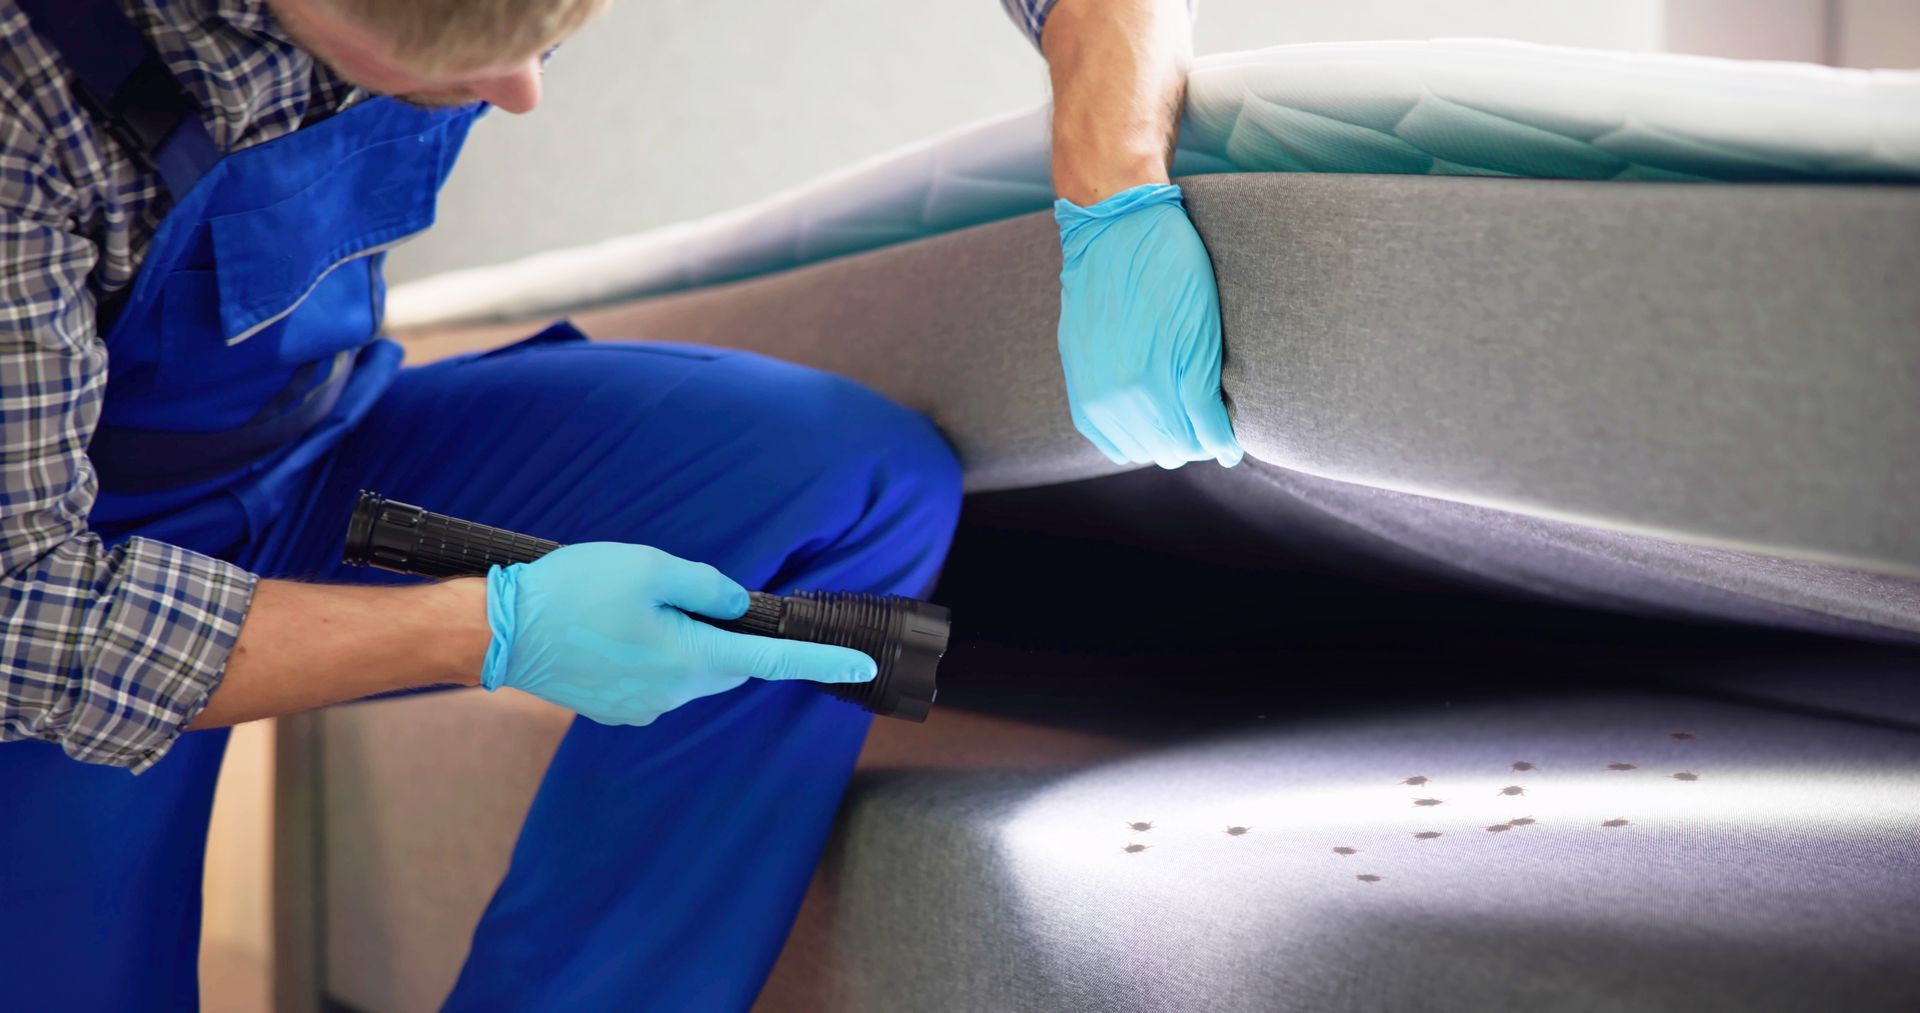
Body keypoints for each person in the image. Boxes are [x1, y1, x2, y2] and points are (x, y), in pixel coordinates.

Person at [0, 0, 1238, 1007]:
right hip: (59, 567)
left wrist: (1113, 177)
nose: (524, 92)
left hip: (323, 448)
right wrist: (485, 628)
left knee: (845, 498)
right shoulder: (26, 91)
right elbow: (22, 614)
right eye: (464, 54)